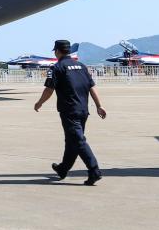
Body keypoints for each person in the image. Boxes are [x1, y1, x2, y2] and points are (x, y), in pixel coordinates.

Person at [34, 39, 106, 186]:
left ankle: (94, 170)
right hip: (83, 111)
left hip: (69, 111)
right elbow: (91, 87)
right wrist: (99, 105)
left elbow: (49, 89)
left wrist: (39, 102)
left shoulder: (57, 68)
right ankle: (63, 169)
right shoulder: (81, 66)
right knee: (72, 141)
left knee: (78, 141)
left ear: (57, 51)